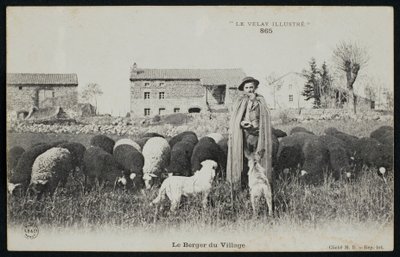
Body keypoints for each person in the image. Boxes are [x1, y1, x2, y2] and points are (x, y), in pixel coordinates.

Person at [226, 76, 273, 190]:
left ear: (255, 88)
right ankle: (241, 185)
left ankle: (259, 185)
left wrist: (254, 102)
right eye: (247, 87)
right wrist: (241, 123)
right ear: (243, 89)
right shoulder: (240, 102)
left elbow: (265, 116)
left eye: (251, 87)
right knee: (244, 160)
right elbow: (235, 119)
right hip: (243, 136)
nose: (249, 89)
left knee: (258, 160)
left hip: (258, 136)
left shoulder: (260, 101)